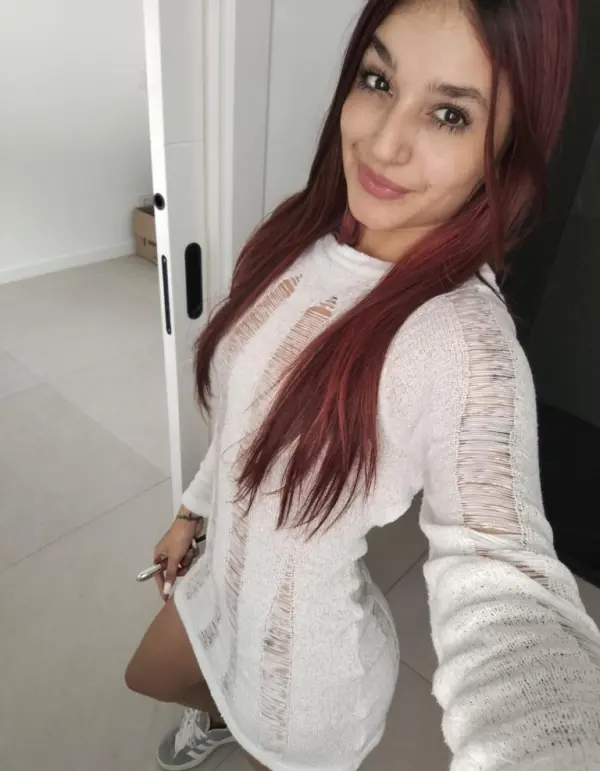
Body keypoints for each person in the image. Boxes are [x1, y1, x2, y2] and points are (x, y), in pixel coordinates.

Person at [125, 0, 600, 769]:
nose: (382, 143)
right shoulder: (296, 236)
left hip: (302, 687)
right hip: (220, 580)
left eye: (449, 114)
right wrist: (192, 510)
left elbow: (506, 580)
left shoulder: (462, 340)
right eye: (379, 80)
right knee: (146, 674)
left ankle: (237, 722)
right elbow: (246, 422)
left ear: (504, 153)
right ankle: (217, 714)